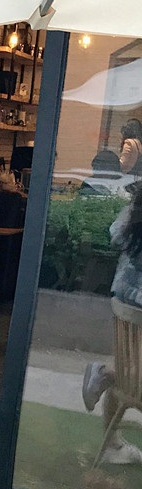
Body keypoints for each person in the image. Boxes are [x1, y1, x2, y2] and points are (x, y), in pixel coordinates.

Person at [82, 184, 142, 464]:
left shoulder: (133, 214)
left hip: (124, 299)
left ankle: (112, 444)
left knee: (130, 375)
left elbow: (115, 234)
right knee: (132, 377)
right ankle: (107, 374)